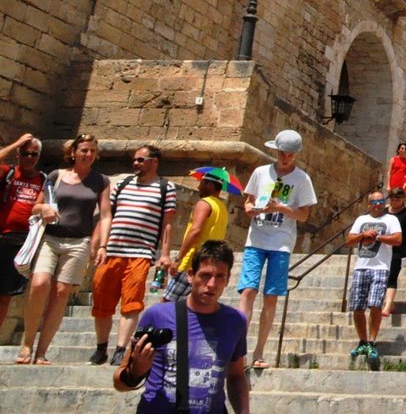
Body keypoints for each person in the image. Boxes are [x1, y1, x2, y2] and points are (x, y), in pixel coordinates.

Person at [113, 239, 248, 413]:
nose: (212, 284)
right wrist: (134, 373)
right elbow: (119, 382)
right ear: (191, 275)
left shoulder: (235, 321)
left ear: (228, 278)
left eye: (220, 276)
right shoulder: (157, 316)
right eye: (205, 275)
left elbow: (236, 376)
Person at [19, 132, 109, 365]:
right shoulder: (56, 176)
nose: (88, 154)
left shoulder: (100, 181)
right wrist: (44, 209)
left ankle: (42, 351)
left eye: (92, 151)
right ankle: (28, 342)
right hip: (50, 238)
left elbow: (105, 215)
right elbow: (35, 206)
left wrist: (102, 245)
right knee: (39, 284)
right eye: (83, 150)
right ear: (73, 153)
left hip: (78, 242)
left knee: (60, 294)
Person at [90, 143, 177, 366]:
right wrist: (99, 242)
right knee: (101, 299)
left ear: (154, 162)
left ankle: (121, 348)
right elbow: (107, 214)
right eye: (135, 159)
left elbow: (167, 224)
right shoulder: (124, 184)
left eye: (140, 160)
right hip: (112, 251)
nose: (135, 163)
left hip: (140, 253)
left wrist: (164, 254)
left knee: (132, 302)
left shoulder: (165, 188)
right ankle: (101, 347)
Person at [239, 129, 317, 370]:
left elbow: (304, 215)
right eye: (283, 153)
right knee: (247, 292)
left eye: (290, 155)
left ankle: (260, 350)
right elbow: (248, 200)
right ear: (276, 151)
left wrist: (281, 208)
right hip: (256, 239)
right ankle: (239, 350)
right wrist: (250, 208)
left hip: (281, 242)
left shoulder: (302, 179)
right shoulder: (261, 172)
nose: (286, 158)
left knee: (271, 296)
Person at [345, 191, 402, 366]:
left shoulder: (391, 219)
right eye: (374, 202)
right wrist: (363, 235)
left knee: (375, 304)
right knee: (357, 306)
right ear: (368, 204)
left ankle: (372, 341)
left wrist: (377, 236)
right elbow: (349, 241)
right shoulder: (361, 220)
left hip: (380, 267)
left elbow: (398, 239)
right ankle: (362, 341)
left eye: (380, 201)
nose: (377, 204)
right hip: (361, 266)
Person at [0, 132, 47, 328]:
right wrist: (16, 143)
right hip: (2, 235)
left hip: (21, 242)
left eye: (33, 154)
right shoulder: (9, 172)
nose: (29, 158)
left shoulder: (43, 180)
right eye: (25, 153)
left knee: (5, 295)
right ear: (18, 155)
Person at [168, 170, 231, 306]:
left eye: (202, 183)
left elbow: (195, 231)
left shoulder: (204, 203)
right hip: (209, 264)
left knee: (168, 304)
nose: (198, 187)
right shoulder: (222, 209)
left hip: (190, 262)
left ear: (210, 185)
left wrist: (178, 258)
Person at [381, 186, 406, 318]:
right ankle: (391, 304)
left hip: (400, 248)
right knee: (383, 276)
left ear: (402, 199)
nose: (395, 201)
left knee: (392, 276)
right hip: (384, 248)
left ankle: (386, 306)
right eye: (392, 198)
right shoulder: (384, 212)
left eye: (398, 198)